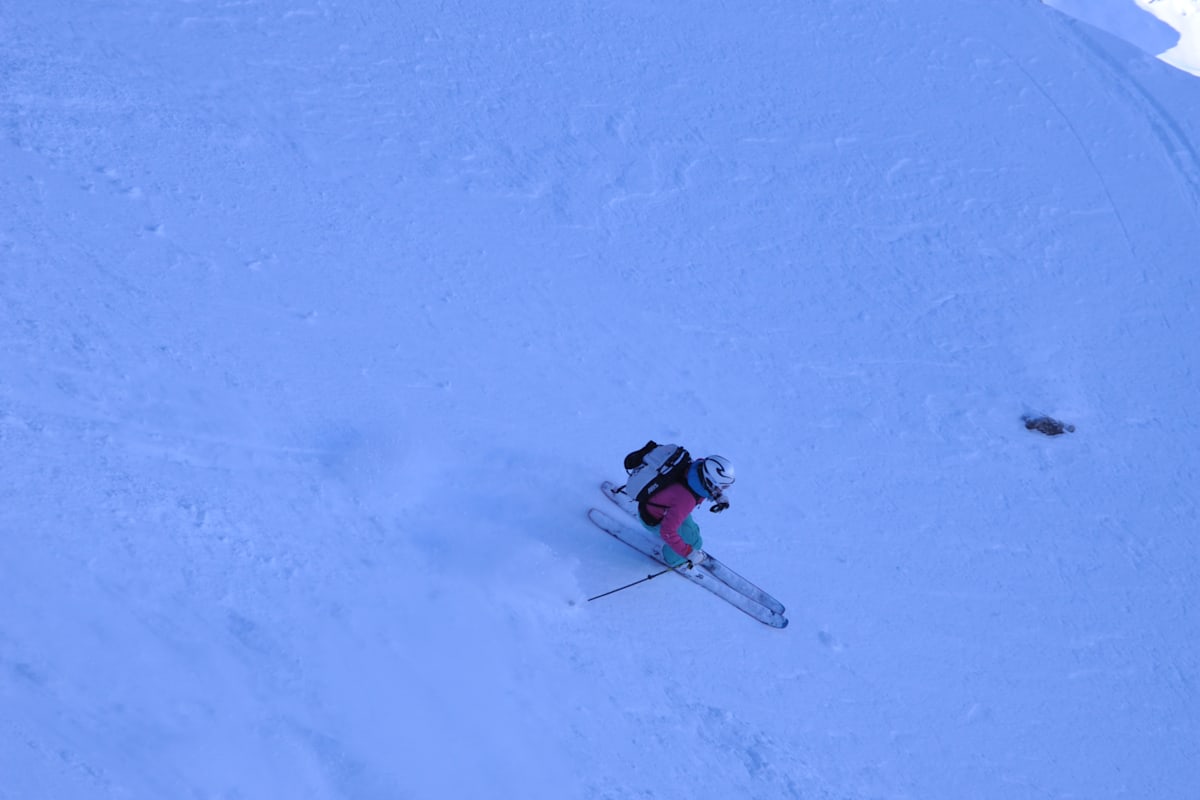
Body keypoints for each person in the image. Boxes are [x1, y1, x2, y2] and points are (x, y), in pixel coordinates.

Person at [636, 454, 735, 569]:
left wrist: (717, 496)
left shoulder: (698, 467)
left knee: (694, 534)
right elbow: (667, 531)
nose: (722, 490)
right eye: (722, 487)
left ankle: (685, 545)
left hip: (657, 505)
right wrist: (688, 553)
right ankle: (670, 558)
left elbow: (703, 488)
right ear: (709, 482)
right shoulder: (685, 499)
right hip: (652, 519)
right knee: (694, 541)